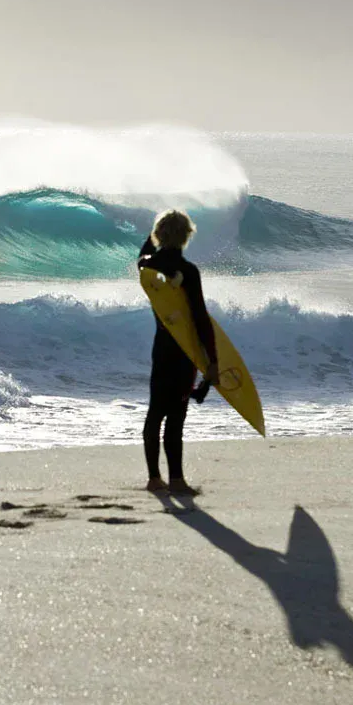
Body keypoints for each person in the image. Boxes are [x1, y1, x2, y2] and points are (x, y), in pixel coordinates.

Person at [138, 209, 218, 494]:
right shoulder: (189, 272)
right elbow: (200, 318)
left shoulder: (147, 267)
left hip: (161, 349)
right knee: (176, 416)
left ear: (159, 235)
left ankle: (153, 478)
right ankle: (177, 480)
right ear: (187, 236)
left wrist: (154, 234)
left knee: (155, 413)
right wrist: (212, 362)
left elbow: (142, 254)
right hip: (185, 352)